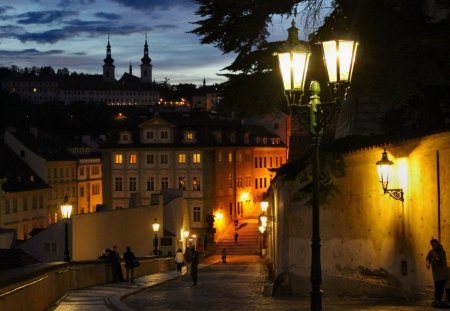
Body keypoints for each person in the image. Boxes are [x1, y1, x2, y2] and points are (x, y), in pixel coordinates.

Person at [426, 238, 449, 307]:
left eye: (434, 244)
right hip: (436, 273)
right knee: (437, 287)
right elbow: (428, 258)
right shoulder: (431, 252)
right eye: (432, 245)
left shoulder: (442, 252)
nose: (433, 246)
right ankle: (437, 300)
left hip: (442, 273)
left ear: (437, 243)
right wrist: (428, 263)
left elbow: (442, 262)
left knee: (441, 287)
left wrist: (436, 258)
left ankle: (439, 300)